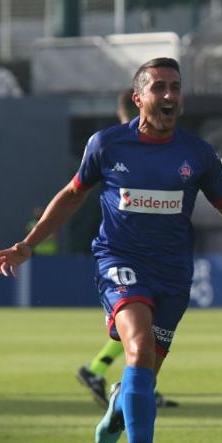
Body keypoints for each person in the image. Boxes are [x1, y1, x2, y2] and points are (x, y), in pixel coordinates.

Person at [0, 58, 222, 443]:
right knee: (138, 348)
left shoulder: (196, 154)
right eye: (158, 87)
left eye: (175, 88)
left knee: (143, 371)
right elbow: (71, 195)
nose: (168, 96)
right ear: (137, 97)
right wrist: (28, 244)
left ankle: (122, 397)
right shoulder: (107, 145)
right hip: (119, 261)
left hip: (173, 273)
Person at [76, 89, 179, 410]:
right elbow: (74, 192)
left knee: (141, 326)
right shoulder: (112, 145)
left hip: (153, 253)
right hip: (126, 250)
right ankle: (131, 387)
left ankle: (104, 373)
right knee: (140, 324)